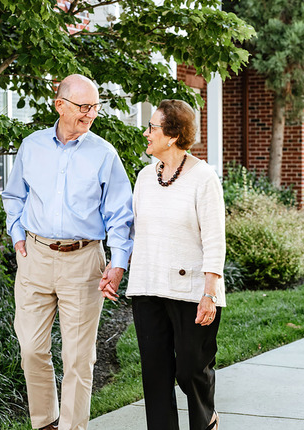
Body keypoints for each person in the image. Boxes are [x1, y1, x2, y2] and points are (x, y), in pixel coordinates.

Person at [2, 74, 134, 430]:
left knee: (78, 359)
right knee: (31, 349)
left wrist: (118, 263)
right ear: (60, 105)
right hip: (35, 257)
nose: (91, 114)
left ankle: (73, 427)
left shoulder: (104, 153)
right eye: (84, 106)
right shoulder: (32, 146)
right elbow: (14, 196)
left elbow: (121, 214)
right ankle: (45, 423)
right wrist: (17, 237)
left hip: (84, 261)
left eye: (95, 107)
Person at [101, 99, 225, 430]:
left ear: (172, 135)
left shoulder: (203, 178)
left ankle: (205, 419)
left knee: (190, 369)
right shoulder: (144, 177)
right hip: (148, 286)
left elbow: (214, 239)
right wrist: (117, 268)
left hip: (192, 291)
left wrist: (210, 292)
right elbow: (132, 231)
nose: (146, 132)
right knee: (155, 373)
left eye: (152, 127)